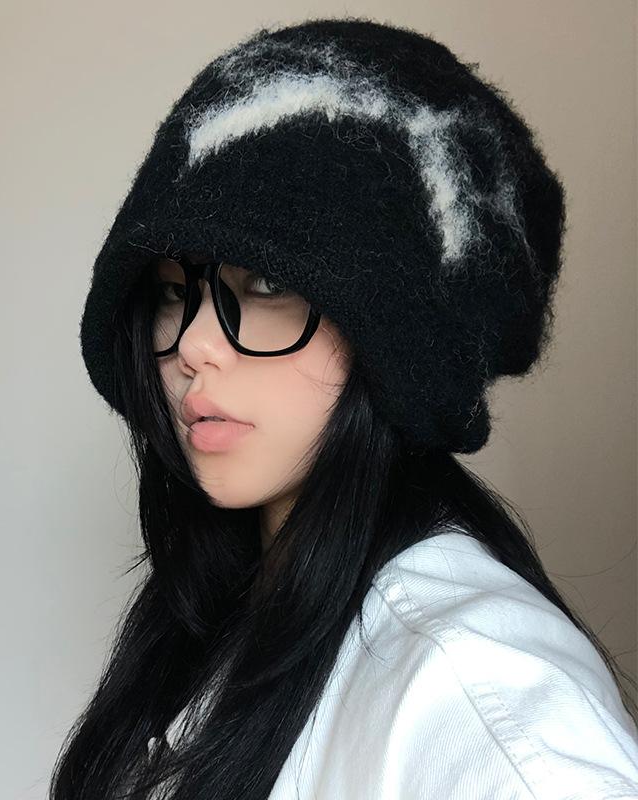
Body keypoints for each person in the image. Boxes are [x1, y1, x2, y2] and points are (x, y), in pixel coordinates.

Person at [52, 16, 638, 800]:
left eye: (266, 285)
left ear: (403, 346)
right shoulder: (225, 615)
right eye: (170, 293)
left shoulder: (479, 693)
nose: (193, 344)